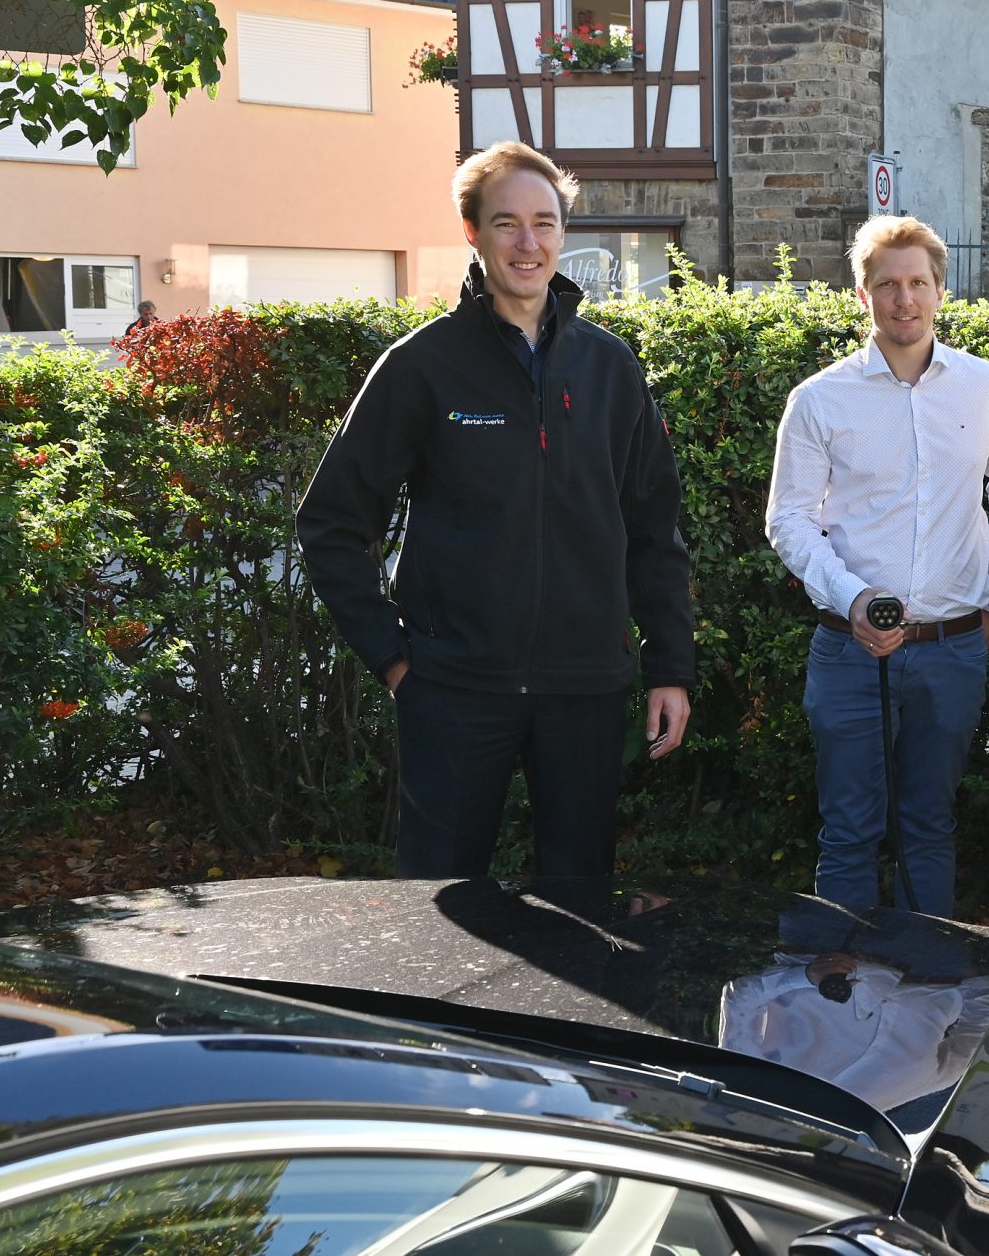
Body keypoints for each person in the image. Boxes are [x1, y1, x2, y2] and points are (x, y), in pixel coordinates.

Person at [297, 141, 693, 880]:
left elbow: (654, 528)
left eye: (544, 222)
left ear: (563, 233)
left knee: (579, 911)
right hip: (453, 690)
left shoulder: (609, 368)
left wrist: (669, 664)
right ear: (472, 233)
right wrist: (395, 659)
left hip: (585, 688)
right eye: (506, 223)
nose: (528, 242)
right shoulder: (422, 366)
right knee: (439, 911)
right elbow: (331, 521)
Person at [765, 216, 989, 919]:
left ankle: (925, 1003)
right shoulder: (819, 398)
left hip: (952, 650)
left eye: (919, 282)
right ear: (862, 294)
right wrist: (853, 599)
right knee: (849, 834)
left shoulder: (988, 387)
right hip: (849, 651)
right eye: (888, 284)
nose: (904, 299)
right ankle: (843, 1013)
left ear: (942, 290)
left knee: (930, 831)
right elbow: (788, 519)